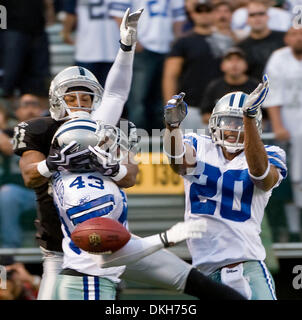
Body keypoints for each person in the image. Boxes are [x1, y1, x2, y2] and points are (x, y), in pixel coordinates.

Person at [13, 7, 143, 299]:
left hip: (101, 239)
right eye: (71, 97)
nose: (79, 103)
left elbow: (131, 176)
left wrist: (126, 47)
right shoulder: (40, 129)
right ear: (57, 100)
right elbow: (29, 177)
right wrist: (54, 163)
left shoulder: (105, 126)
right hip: (58, 246)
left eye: (86, 97)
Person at [50, 118, 207, 300]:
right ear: (87, 153)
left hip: (86, 279)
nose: (115, 150)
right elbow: (105, 257)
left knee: (192, 280)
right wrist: (168, 237)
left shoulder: (64, 175)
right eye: (105, 145)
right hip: (88, 284)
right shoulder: (92, 194)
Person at [162, 75, 287, 299]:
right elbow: (178, 163)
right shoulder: (199, 144)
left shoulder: (271, 153)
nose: (232, 128)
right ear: (214, 122)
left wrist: (248, 119)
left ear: (254, 125)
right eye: (228, 121)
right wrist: (172, 127)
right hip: (205, 272)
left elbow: (262, 177)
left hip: (246, 265)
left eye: (240, 122)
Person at [110, 0, 187, 133]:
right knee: (138, 99)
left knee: (161, 99)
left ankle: (160, 135)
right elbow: (119, 15)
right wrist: (134, 41)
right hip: (143, 47)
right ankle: (137, 137)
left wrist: (176, 39)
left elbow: (178, 17)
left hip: (166, 47)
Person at [262, 27, 302, 241]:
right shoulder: (279, 58)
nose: (299, 38)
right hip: (289, 128)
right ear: (287, 38)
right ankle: (294, 231)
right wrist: (277, 126)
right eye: (295, 34)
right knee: (290, 182)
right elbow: (273, 95)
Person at [162, 1, 221, 131]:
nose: (204, 14)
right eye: (199, 11)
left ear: (215, 13)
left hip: (220, 108)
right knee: (189, 149)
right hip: (191, 107)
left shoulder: (226, 40)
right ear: (192, 14)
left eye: (208, 10)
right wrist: (171, 108)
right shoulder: (184, 42)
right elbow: (170, 76)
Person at [0, 95, 43, 247]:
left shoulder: (50, 133)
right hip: (18, 192)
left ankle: (53, 245)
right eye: (25, 105)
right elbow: (7, 147)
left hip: (44, 190)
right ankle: (10, 248)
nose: (30, 109)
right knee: (7, 194)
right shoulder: (8, 133)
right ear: (16, 111)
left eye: (34, 104)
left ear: (41, 109)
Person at [61, 0, 120, 87]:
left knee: (86, 93)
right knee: (111, 94)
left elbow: (71, 14)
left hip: (87, 49)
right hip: (114, 46)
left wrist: (65, 33)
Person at [200, 47, 258, 125]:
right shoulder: (214, 87)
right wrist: (227, 122)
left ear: (246, 65)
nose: (234, 64)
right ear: (222, 66)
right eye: (229, 60)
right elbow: (205, 116)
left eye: (239, 60)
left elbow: (265, 116)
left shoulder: (256, 88)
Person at [237, 0, 286, 81]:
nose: (257, 18)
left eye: (261, 14)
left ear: (268, 16)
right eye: (252, 15)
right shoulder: (241, 47)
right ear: (247, 20)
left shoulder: (285, 38)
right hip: (257, 91)